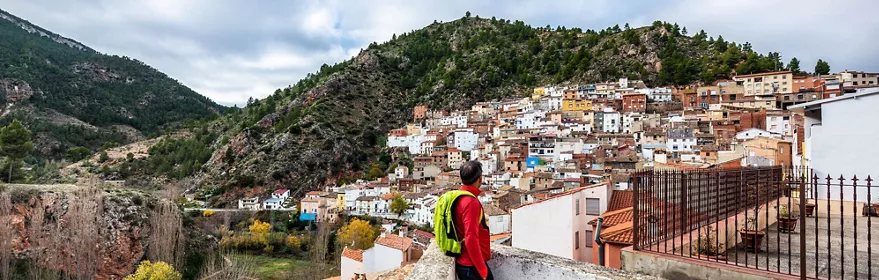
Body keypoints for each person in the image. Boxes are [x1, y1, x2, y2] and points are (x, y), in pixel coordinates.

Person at [453, 161, 492, 280]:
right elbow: (471, 238)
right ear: (480, 179)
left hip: (465, 262)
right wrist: (482, 269)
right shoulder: (471, 203)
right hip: (471, 265)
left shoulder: (458, 196)